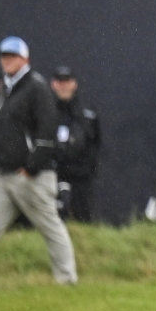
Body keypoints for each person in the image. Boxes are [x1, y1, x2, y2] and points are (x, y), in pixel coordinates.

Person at [0, 37, 78, 294]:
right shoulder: (4, 89)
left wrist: (31, 167)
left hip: (30, 177)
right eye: (4, 56)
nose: (7, 60)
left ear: (25, 59)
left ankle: (67, 282)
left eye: (12, 56)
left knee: (50, 227)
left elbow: (46, 134)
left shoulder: (37, 88)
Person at [49, 65, 100, 222]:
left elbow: (95, 143)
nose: (63, 86)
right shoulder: (44, 111)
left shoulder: (87, 113)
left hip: (80, 178)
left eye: (67, 81)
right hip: (52, 176)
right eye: (59, 82)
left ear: (74, 84)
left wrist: (86, 169)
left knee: (82, 219)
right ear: (53, 84)